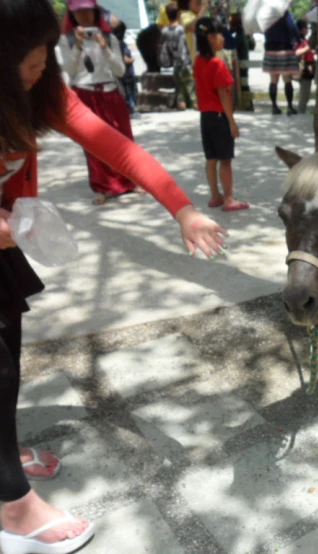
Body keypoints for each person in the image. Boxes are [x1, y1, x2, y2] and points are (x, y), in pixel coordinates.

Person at [0, 1, 226, 552]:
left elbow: (118, 148)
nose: (35, 74)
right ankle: (11, 504)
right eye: (22, 66)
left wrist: (182, 208)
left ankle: (2, 450)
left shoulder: (44, 90)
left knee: (10, 350)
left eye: (40, 62)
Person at [57, 0, 141, 205]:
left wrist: (106, 49)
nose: (85, 16)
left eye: (88, 12)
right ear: (72, 15)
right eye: (79, 13)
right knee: (93, 144)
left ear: (96, 13)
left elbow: (120, 71)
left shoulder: (109, 38)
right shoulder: (64, 41)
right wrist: (77, 46)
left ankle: (130, 182)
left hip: (110, 92)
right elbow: (68, 72)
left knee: (123, 140)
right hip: (85, 93)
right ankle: (101, 187)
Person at [194, 18, 249, 212]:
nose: (223, 39)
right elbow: (224, 95)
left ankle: (215, 196)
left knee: (211, 159)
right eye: (220, 36)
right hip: (219, 116)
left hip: (205, 116)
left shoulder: (199, 61)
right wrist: (232, 122)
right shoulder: (217, 64)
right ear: (210, 37)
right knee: (225, 160)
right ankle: (229, 198)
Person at [262, 10, 302, 115]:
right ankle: (289, 106)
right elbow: (293, 27)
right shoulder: (284, 13)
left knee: (273, 80)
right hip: (285, 48)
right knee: (287, 79)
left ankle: (274, 107)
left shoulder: (266, 15)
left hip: (270, 49)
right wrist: (299, 40)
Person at [161, 3, 197, 110]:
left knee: (180, 89)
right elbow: (183, 45)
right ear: (178, 14)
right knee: (191, 87)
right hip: (185, 62)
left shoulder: (165, 31)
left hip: (175, 63)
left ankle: (181, 104)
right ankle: (195, 104)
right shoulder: (181, 29)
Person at [111, 18, 140, 118]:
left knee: (123, 92)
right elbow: (125, 58)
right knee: (130, 92)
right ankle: (131, 109)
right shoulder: (121, 44)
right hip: (127, 73)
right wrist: (131, 59)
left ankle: (127, 109)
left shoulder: (113, 44)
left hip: (118, 74)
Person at [230, 12, 255, 112]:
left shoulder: (239, 36)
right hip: (244, 62)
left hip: (241, 63)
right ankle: (248, 104)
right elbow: (252, 46)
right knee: (244, 83)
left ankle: (247, 103)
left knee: (243, 84)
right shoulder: (243, 34)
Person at [295, 19, 315, 115]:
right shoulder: (298, 40)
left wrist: (313, 51)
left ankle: (301, 112)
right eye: (306, 28)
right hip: (304, 69)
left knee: (305, 94)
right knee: (305, 95)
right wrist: (309, 47)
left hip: (308, 68)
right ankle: (300, 113)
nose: (307, 29)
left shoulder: (304, 39)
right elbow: (297, 53)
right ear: (302, 29)